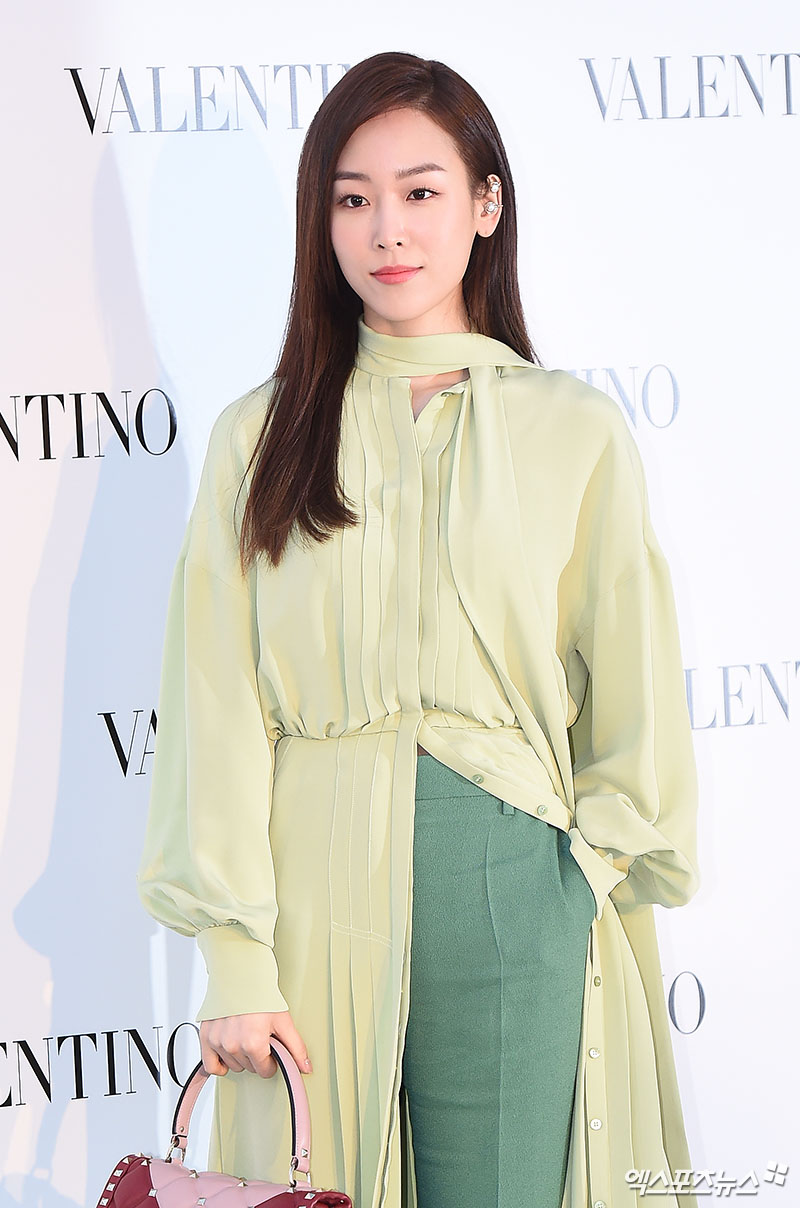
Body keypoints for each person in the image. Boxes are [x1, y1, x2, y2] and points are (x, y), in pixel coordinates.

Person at [138, 50, 701, 1208]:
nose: (385, 228)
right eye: (352, 198)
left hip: (512, 885)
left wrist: (574, 873)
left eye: (420, 190)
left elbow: (635, 694)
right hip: (305, 879)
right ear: (322, 220)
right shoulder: (259, 436)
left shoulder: (574, 430)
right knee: (314, 1182)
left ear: (485, 204)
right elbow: (217, 702)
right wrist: (234, 949)